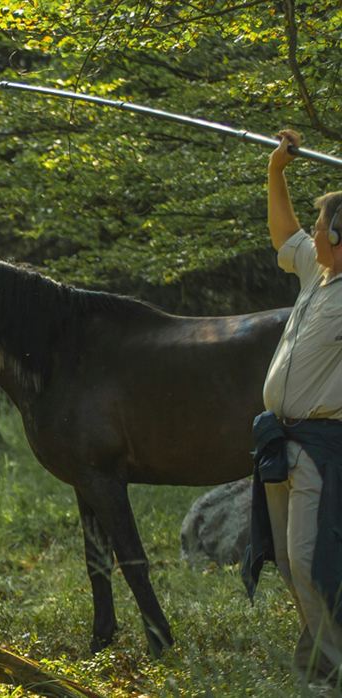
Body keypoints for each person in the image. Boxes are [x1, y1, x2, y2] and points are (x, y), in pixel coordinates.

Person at [244, 128, 342, 685]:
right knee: (287, 560)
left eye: (325, 225)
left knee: (309, 560)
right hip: (281, 444)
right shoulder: (317, 271)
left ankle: (332, 666)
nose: (316, 232)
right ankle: (322, 662)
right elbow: (286, 234)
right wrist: (276, 170)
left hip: (325, 448)